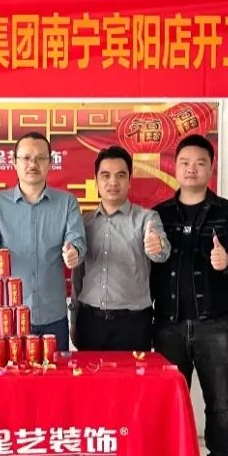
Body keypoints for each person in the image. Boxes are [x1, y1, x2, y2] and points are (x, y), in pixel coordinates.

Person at [150, 134, 228, 456]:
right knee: (170, 405)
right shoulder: (159, 214)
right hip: (168, 324)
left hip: (214, 324)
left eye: (200, 163)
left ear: (211, 168)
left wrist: (227, 261)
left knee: (219, 402)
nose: (192, 169)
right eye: (185, 163)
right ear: (175, 168)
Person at [0, 132, 86, 348]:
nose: (33, 164)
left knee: (56, 371)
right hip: (11, 318)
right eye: (26, 158)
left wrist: (74, 253)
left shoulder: (67, 202)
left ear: (50, 163)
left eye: (40, 158)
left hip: (53, 316)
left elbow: (77, 241)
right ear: (14, 162)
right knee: (10, 371)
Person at [71, 145, 169, 351]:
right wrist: (75, 318)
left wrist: (157, 246)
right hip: (90, 322)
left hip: (133, 324)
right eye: (105, 175)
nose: (113, 182)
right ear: (96, 181)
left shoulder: (146, 218)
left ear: (130, 180)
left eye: (120, 175)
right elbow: (77, 276)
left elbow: (161, 253)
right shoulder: (83, 222)